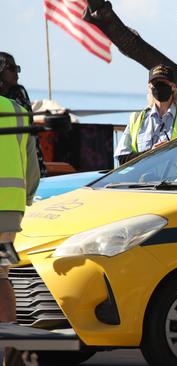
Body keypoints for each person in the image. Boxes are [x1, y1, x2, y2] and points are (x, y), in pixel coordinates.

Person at [0, 95, 40, 366]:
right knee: (2, 272)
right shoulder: (17, 110)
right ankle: (11, 346)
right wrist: (25, 197)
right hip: (10, 207)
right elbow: (31, 165)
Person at [114, 64, 177, 165]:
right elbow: (122, 159)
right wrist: (150, 153)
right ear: (149, 88)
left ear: (173, 87)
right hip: (142, 180)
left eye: (163, 83)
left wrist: (176, 156)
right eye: (155, 84)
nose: (159, 87)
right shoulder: (136, 119)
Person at [0, 52, 48, 177]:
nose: (16, 73)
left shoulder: (18, 92)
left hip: (26, 159)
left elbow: (30, 133)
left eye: (17, 69)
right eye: (11, 68)